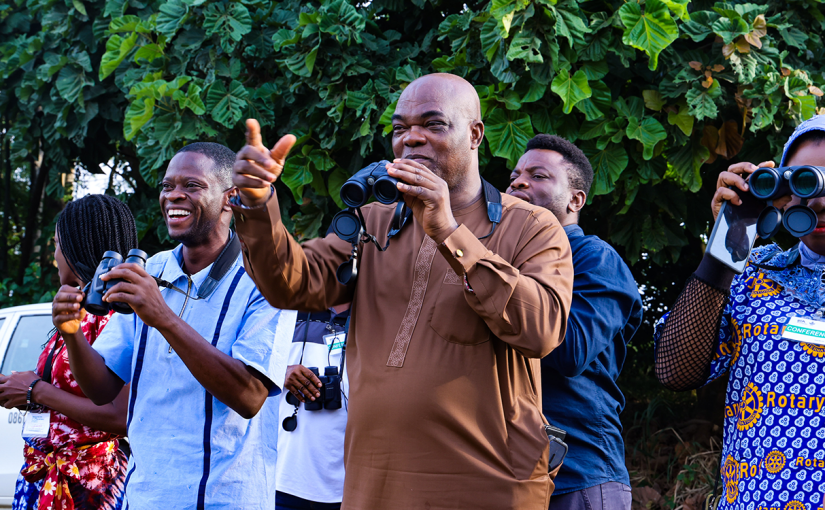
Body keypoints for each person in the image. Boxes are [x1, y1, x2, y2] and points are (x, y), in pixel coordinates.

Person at [230, 73, 575, 509]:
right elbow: (291, 284)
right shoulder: (374, 221)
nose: (411, 138)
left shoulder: (531, 226)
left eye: (433, 124)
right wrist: (258, 204)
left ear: (475, 135)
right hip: (373, 484)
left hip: (488, 487)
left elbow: (541, 330)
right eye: (399, 128)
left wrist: (448, 231)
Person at [51, 142, 296, 510]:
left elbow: (249, 398)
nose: (173, 195)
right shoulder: (149, 270)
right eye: (167, 186)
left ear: (230, 198)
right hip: (144, 497)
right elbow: (101, 390)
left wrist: (163, 317)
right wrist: (71, 333)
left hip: (225, 500)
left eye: (192, 185)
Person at [654, 114, 825, 510]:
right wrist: (730, 242)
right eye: (804, 182)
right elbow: (675, 371)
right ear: (783, 191)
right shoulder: (754, 277)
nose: (818, 201)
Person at [507, 135, 643, 510]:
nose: (519, 183)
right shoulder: (496, 262)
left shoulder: (594, 258)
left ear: (575, 200)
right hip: (503, 476)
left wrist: (491, 281)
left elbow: (571, 350)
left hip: (577, 477)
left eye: (538, 176)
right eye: (515, 176)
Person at [0, 194, 135, 510]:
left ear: (77, 248)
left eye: (58, 245)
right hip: (47, 475)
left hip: (91, 485)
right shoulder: (76, 310)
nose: (54, 257)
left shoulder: (116, 314)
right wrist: (23, 389)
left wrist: (36, 391)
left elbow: (120, 415)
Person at [276, 304, 350, 510]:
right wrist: (282, 372)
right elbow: (248, 364)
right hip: (283, 479)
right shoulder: (284, 308)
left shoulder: (376, 314)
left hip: (347, 488)